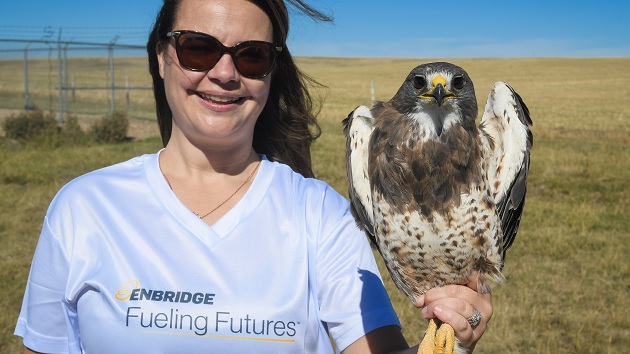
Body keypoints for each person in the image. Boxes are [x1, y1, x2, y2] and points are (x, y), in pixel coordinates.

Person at [15, 0, 493, 353]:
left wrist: (453, 337)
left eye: (251, 56)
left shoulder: (321, 214)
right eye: (198, 48)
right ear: (161, 56)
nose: (225, 73)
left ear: (271, 71)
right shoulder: (83, 207)